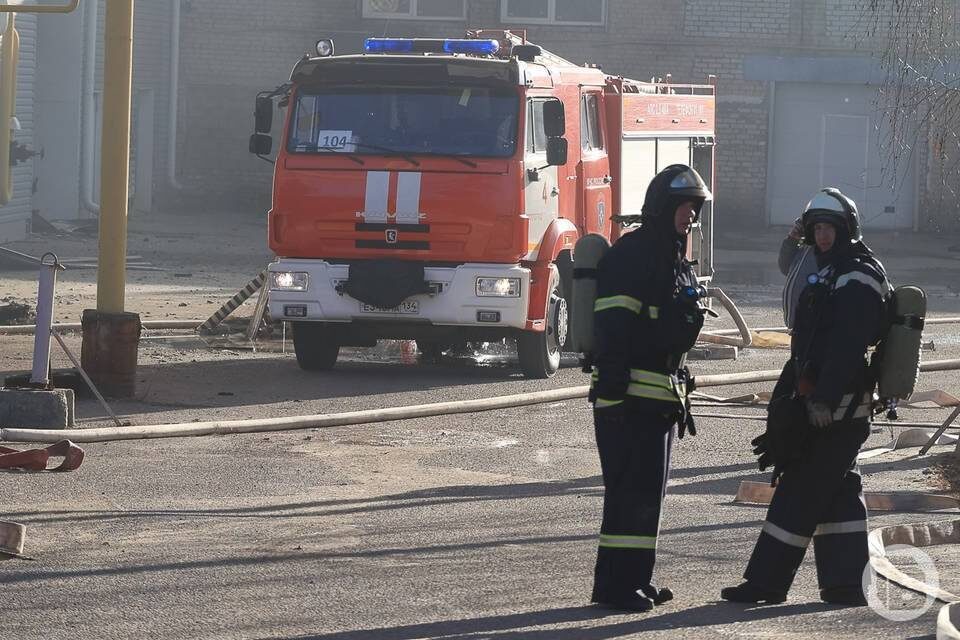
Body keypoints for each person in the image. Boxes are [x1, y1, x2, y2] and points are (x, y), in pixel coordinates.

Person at [721, 187, 891, 606]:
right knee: (838, 491)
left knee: (799, 490)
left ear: (846, 230)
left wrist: (823, 401)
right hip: (829, 404)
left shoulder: (858, 276)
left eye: (830, 228)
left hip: (837, 409)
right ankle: (847, 584)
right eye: (817, 229)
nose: (822, 236)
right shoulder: (832, 270)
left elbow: (847, 346)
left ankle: (766, 583)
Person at [588, 164, 711, 612]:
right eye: (684, 207)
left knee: (647, 498)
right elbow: (614, 327)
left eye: (695, 209)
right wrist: (612, 395)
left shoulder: (674, 259)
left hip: (659, 399)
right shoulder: (634, 254)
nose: (690, 216)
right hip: (629, 399)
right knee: (630, 497)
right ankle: (616, 589)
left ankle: (635, 580)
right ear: (663, 207)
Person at [779, 217, 818, 329]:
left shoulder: (842, 259)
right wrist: (791, 241)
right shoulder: (805, 252)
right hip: (801, 329)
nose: (822, 235)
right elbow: (786, 268)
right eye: (818, 229)